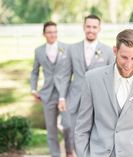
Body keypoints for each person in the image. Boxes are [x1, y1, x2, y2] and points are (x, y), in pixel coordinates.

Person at [74, 29, 133, 157]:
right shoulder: (92, 79)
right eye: (124, 57)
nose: (128, 64)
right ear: (115, 51)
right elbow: (82, 127)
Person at [59, 14, 114, 128]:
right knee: (75, 134)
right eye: (88, 26)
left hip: (99, 101)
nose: (91, 30)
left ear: (99, 29)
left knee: (96, 136)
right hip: (75, 99)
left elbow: (112, 78)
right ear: (83, 27)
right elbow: (65, 76)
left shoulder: (108, 51)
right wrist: (62, 97)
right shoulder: (71, 49)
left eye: (94, 27)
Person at [30, 21, 74, 157]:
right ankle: (55, 154)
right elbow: (35, 72)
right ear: (44, 34)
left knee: (68, 125)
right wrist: (33, 88)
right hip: (47, 94)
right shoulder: (39, 51)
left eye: (55, 32)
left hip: (65, 93)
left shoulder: (66, 48)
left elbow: (72, 70)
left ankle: (68, 151)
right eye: (49, 32)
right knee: (51, 129)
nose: (53, 35)